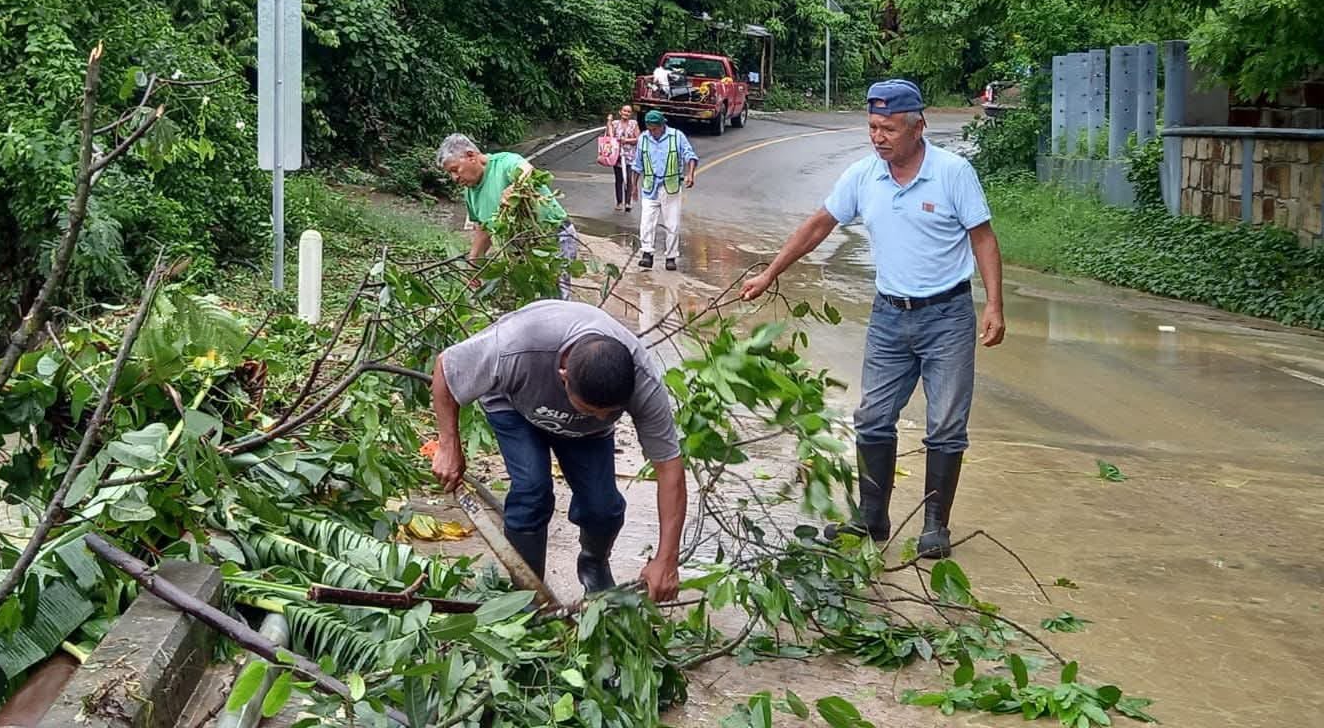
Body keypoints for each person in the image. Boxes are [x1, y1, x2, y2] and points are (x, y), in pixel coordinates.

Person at [740, 79, 1005, 560]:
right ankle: (872, 517)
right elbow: (819, 224)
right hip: (889, 315)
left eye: (887, 128)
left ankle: (933, 526)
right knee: (873, 418)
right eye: (872, 127)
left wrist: (994, 305)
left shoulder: (952, 174)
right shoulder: (864, 176)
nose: (877, 137)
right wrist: (770, 272)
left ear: (917, 127)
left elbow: (982, 238)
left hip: (947, 315)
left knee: (945, 424)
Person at [429, 300, 685, 601]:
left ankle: (594, 567)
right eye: (593, 409)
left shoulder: (643, 381)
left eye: (611, 412)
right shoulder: (516, 344)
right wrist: (449, 446)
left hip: (585, 434)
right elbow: (447, 367)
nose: (604, 417)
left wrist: (667, 558)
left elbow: (669, 469)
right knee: (531, 492)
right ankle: (528, 593)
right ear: (564, 376)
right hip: (514, 406)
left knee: (603, 507)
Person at [437, 134, 578, 297]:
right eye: (450, 174)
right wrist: (474, 261)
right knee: (526, 298)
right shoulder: (470, 193)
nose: (454, 178)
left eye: (455, 170)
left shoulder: (504, 162)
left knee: (554, 297)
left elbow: (526, 170)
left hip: (553, 238)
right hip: (521, 251)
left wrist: (515, 188)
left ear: (471, 156)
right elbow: (484, 229)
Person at [631, 110, 697, 271]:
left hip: (671, 187)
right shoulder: (643, 139)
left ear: (662, 126)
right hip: (649, 187)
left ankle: (671, 257)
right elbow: (637, 164)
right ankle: (647, 253)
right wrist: (633, 187)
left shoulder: (677, 136)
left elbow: (690, 155)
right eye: (649, 129)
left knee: (672, 224)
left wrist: (690, 174)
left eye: (654, 129)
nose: (652, 132)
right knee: (646, 222)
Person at [606, 104, 641, 212]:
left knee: (629, 179)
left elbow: (638, 138)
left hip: (630, 156)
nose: (626, 113)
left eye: (628, 111)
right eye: (624, 111)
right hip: (617, 156)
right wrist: (608, 122)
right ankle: (619, 202)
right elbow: (610, 136)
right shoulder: (615, 123)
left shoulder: (633, 124)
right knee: (619, 179)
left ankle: (628, 202)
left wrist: (627, 140)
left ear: (631, 114)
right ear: (620, 112)